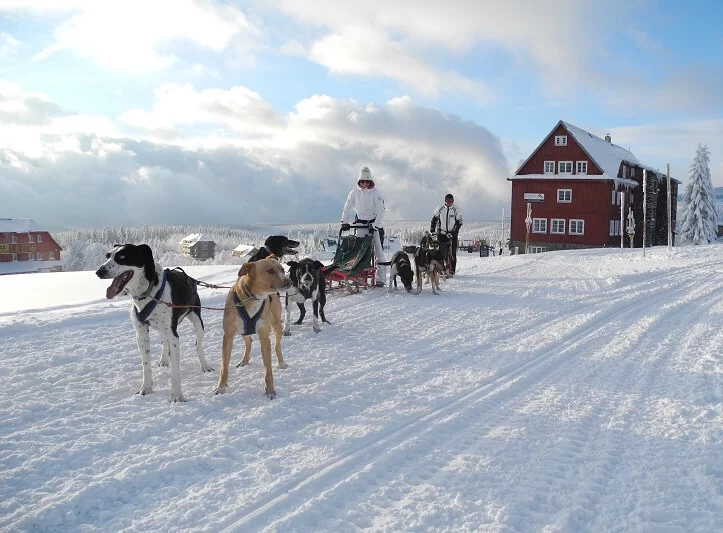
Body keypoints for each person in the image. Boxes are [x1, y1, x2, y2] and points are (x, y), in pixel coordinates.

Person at [340, 166, 387, 287]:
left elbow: (381, 211)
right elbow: (347, 207)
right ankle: (357, 273)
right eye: (362, 181)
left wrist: (375, 225)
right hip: (360, 223)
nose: (364, 184)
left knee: (378, 251)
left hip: (374, 224)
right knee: (359, 250)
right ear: (359, 181)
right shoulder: (354, 192)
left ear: (370, 181)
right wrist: (344, 222)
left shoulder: (376, 193)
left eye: (367, 181)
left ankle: (381, 279)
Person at [430, 193, 463, 275]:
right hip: (442, 233)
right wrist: (432, 230)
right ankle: (440, 269)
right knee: (440, 252)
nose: (449, 202)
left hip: (452, 235)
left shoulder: (456, 209)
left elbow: (459, 222)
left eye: (450, 201)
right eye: (447, 201)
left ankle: (452, 270)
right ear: (445, 201)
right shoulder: (440, 208)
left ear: (453, 201)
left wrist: (454, 232)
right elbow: (434, 219)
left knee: (452, 252)